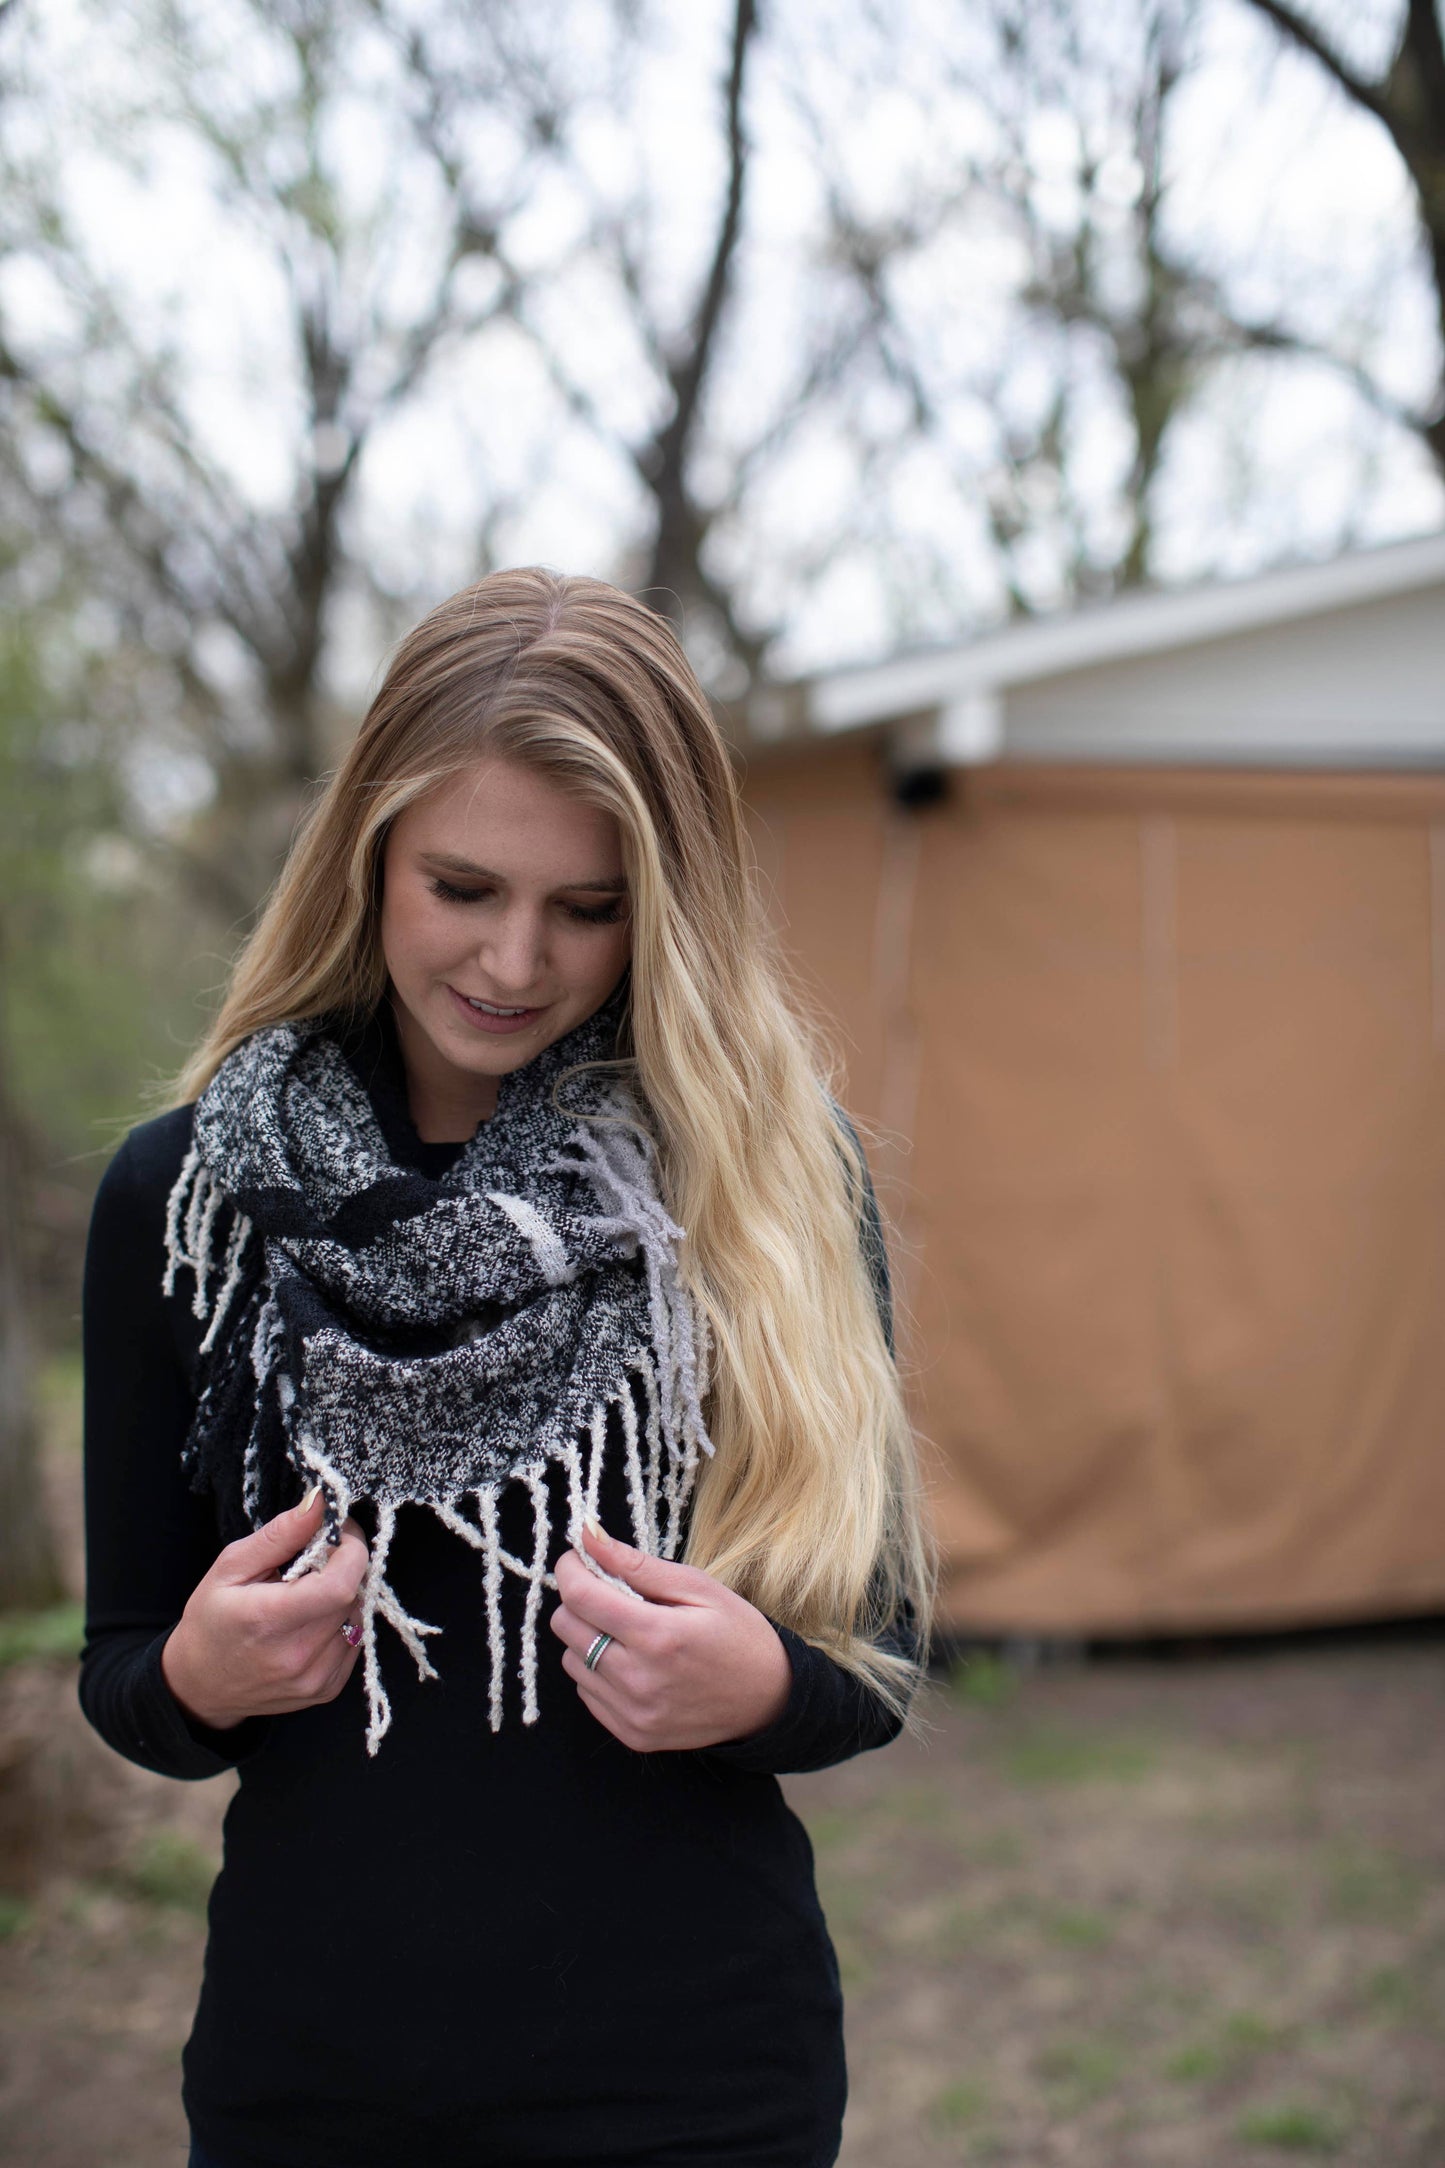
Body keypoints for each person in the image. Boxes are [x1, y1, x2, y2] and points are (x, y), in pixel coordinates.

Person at [80, 567, 933, 2168]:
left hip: (697, 2086)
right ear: (367, 858)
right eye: (462, 886)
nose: (515, 961)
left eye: (589, 907)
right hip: (309, 2080)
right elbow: (126, 1669)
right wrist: (200, 1676)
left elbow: (872, 1649)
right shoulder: (186, 1199)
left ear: (663, 902)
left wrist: (763, 1685)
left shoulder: (763, 1182)